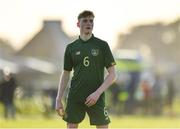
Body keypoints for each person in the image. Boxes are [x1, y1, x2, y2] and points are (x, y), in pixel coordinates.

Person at [55, 10, 116, 129]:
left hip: (96, 97)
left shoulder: (102, 45)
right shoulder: (71, 48)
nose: (89, 23)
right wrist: (58, 99)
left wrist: (97, 93)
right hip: (75, 95)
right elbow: (66, 73)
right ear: (78, 24)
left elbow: (112, 74)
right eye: (85, 21)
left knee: (103, 126)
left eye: (91, 21)